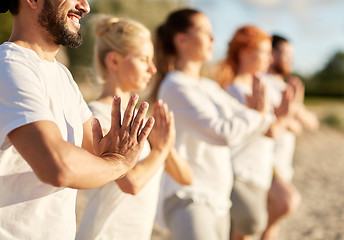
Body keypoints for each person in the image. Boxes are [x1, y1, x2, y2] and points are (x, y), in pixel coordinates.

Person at [0, 1, 154, 239]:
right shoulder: (10, 67)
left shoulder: (62, 75)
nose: (85, 6)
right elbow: (59, 166)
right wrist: (120, 163)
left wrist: (116, 155)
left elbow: (96, 153)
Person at [154, 9, 273, 240]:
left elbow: (260, 121)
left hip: (218, 200)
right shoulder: (176, 86)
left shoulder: (208, 87)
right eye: (205, 32)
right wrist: (256, 114)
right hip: (189, 199)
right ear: (182, 40)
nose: (213, 38)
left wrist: (257, 115)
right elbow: (223, 133)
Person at [76, 16, 193, 240]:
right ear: (114, 61)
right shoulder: (95, 117)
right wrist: (159, 151)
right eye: (143, 59)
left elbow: (186, 177)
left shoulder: (139, 119)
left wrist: (167, 145)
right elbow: (131, 183)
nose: (152, 68)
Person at [208, 25, 294, 240]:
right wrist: (284, 116)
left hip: (258, 171)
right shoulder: (235, 90)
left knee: (248, 229)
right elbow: (270, 131)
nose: (269, 58)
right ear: (246, 52)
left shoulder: (256, 86)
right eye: (264, 52)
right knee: (248, 227)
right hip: (241, 172)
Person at [260, 34, 319, 240]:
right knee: (287, 202)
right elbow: (278, 124)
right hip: (267, 164)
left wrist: (291, 112)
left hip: (282, 165)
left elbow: (310, 123)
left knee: (271, 225)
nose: (291, 60)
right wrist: (291, 118)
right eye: (286, 54)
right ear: (272, 54)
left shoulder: (285, 88)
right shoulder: (263, 84)